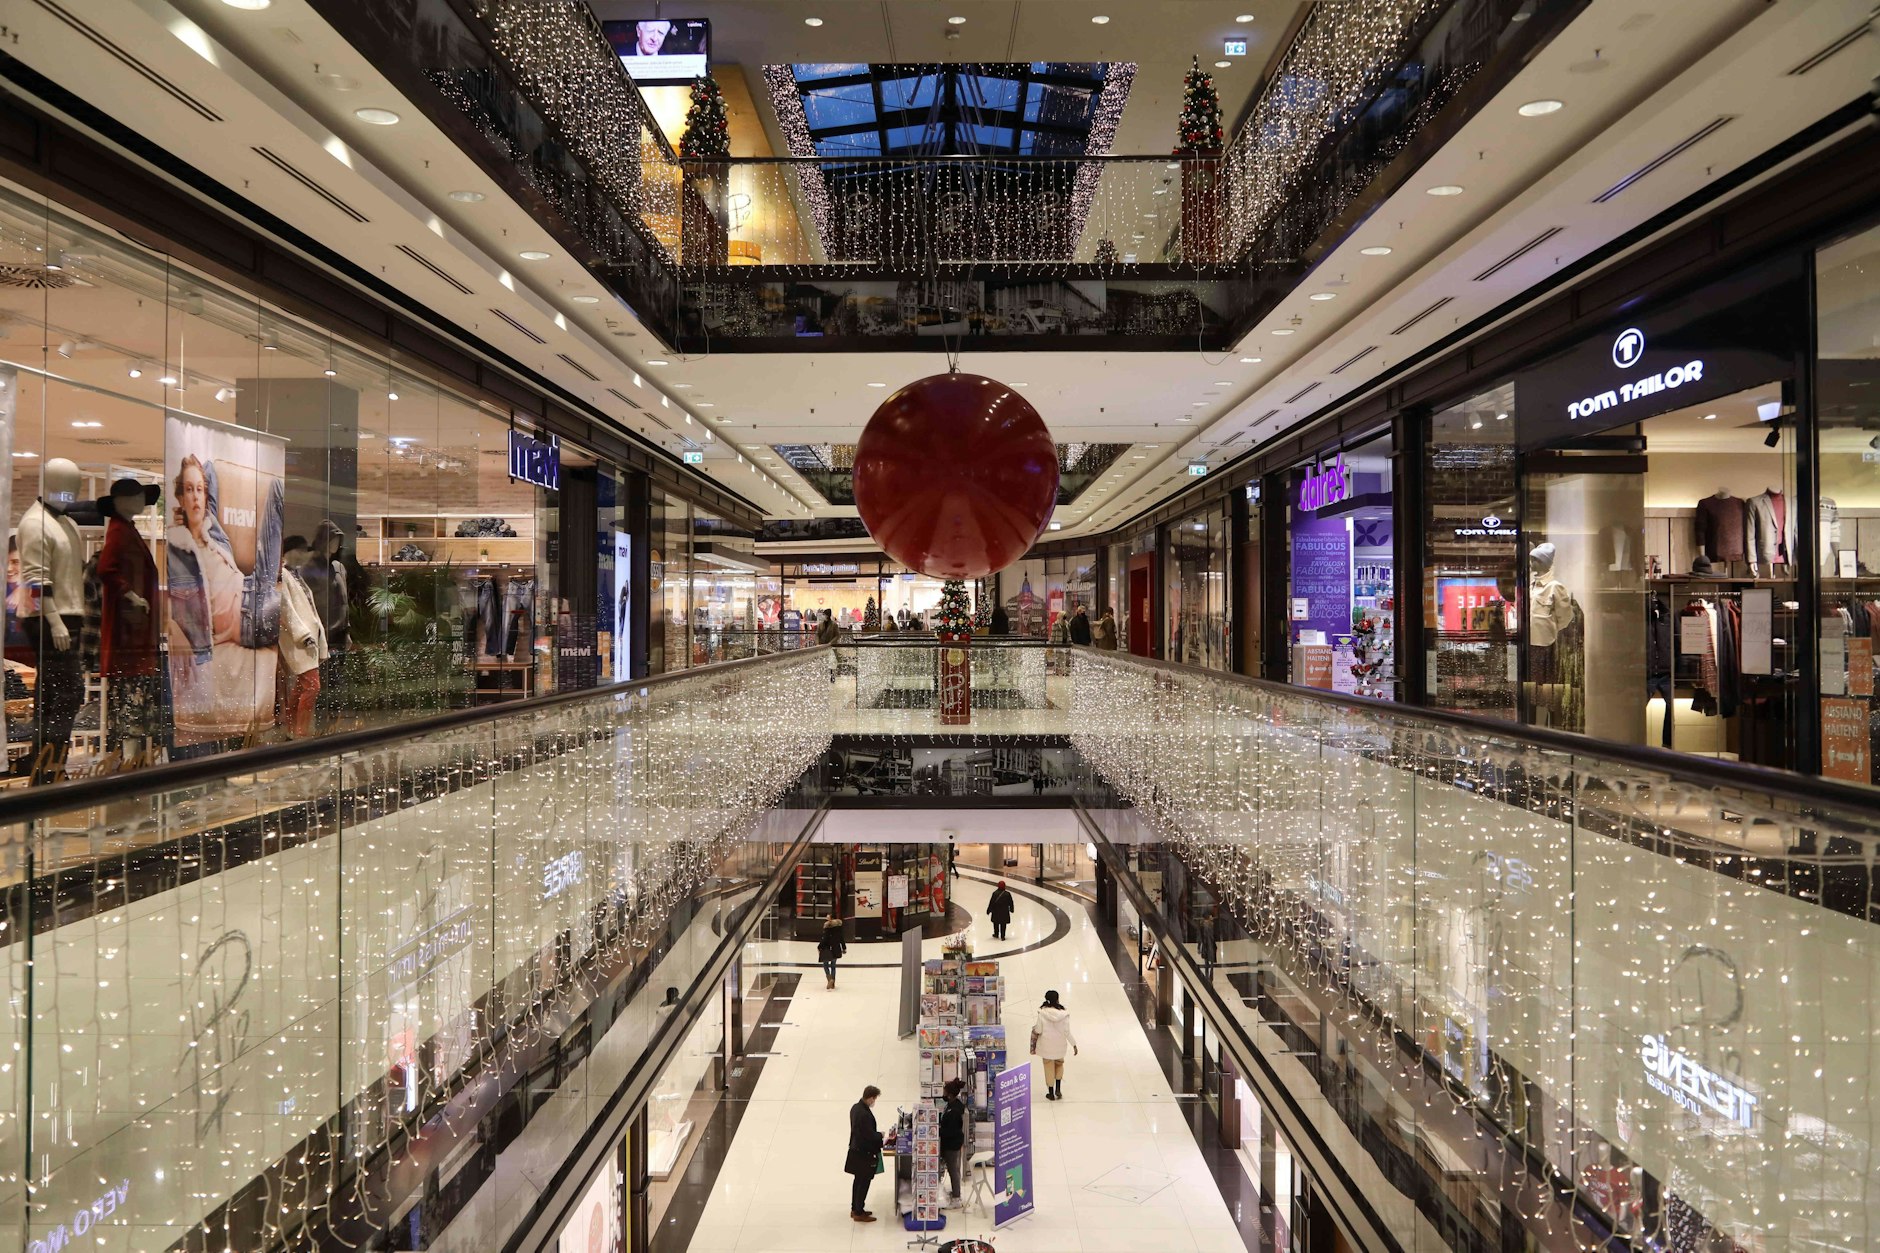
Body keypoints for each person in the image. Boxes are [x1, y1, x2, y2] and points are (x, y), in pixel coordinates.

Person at [276, 536, 328, 739]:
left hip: (309, 637)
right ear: (291, 552)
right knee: (312, 685)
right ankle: (301, 731)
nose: (305, 555)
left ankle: (293, 729)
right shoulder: (282, 574)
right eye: (301, 551)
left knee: (302, 685)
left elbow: (308, 608)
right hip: (298, 638)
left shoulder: (296, 575)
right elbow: (285, 607)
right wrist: (302, 634)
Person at [844, 1084, 885, 1222]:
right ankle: (859, 1212)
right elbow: (869, 1135)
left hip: (856, 1149)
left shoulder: (855, 1108)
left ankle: (855, 1208)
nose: (874, 1102)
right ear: (870, 1098)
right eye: (874, 1099)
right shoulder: (864, 1114)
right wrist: (881, 1135)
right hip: (864, 1153)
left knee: (857, 1181)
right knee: (864, 1182)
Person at [1031, 990, 1078, 1101]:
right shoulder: (1064, 1014)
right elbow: (1067, 1032)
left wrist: (1034, 1030)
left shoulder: (1042, 1013)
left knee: (1048, 1067)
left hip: (1046, 1046)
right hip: (1060, 1046)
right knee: (1059, 1065)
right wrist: (1074, 1044)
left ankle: (1051, 1093)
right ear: (1057, 999)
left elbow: (1039, 1029)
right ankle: (1058, 1088)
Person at [939, 1077, 967, 1207]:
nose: (943, 1094)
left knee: (953, 1170)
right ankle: (956, 1192)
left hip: (952, 1144)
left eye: (945, 1092)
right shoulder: (952, 1105)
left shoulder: (954, 1111)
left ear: (949, 1095)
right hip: (953, 1142)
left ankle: (956, 1198)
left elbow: (950, 1131)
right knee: (954, 1168)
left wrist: (937, 1131)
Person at [817, 914, 846, 990]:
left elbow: (824, 940)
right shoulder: (838, 929)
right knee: (833, 966)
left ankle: (830, 979)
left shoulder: (827, 928)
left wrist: (819, 947)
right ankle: (833, 983)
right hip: (836, 949)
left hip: (827, 949)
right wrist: (844, 948)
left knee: (825, 964)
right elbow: (841, 939)